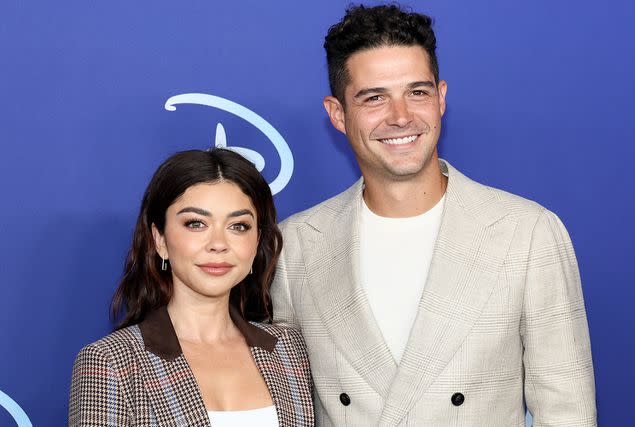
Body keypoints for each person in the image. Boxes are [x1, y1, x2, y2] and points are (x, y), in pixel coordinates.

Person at [271, 4, 596, 426]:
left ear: (441, 97)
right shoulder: (295, 246)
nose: (401, 116)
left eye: (417, 92)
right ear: (337, 114)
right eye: (374, 98)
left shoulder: (527, 232)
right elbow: (289, 406)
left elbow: (566, 410)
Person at [69, 148, 314, 426]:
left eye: (239, 226)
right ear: (159, 239)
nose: (218, 243)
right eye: (196, 223)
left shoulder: (290, 350)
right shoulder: (111, 363)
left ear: (257, 241)